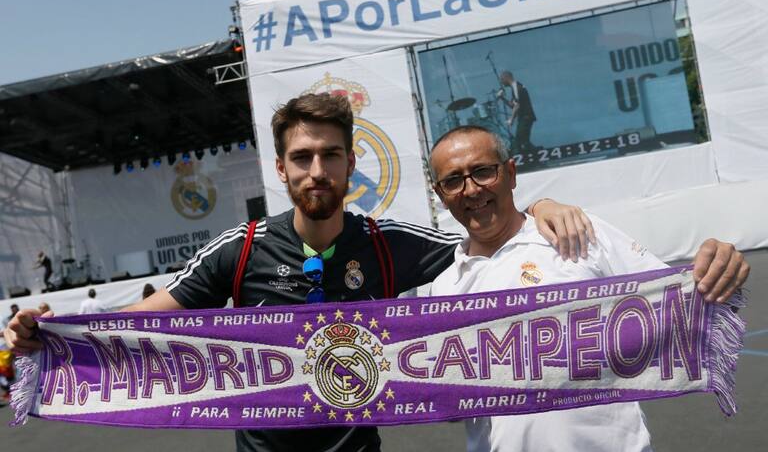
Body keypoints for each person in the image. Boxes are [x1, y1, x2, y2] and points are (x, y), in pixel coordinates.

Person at [4, 94, 603, 452]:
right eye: (302, 157)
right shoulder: (239, 250)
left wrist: (540, 207)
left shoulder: (386, 244)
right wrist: (48, 334)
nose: (317, 170)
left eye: (330, 155)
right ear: (281, 169)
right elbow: (135, 323)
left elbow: (487, 236)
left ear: (349, 163)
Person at [427, 125, 750, 452]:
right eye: (453, 181)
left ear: (511, 173)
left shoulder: (577, 234)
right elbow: (453, 405)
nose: (471, 190)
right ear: (440, 195)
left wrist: (720, 266)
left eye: (483, 171)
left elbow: (683, 302)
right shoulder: (444, 290)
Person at [497, 71, 536, 152]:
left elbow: (517, 106)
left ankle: (532, 153)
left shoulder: (517, 88)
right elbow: (513, 105)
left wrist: (511, 120)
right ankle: (533, 152)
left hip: (526, 117)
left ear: (506, 78)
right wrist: (502, 98)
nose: (501, 82)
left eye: (502, 80)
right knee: (523, 140)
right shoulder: (514, 88)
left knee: (519, 140)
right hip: (524, 118)